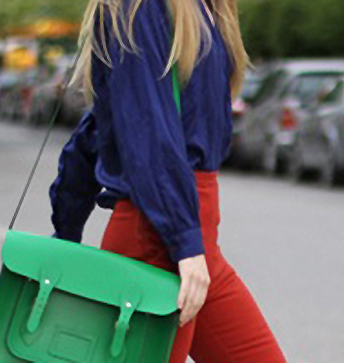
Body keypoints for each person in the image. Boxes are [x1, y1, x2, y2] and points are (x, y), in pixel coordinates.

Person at [48, 0, 286, 361]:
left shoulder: (208, 7)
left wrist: (67, 226)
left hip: (190, 237)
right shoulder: (138, 7)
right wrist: (185, 244)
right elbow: (145, 130)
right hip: (158, 237)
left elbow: (104, 126)